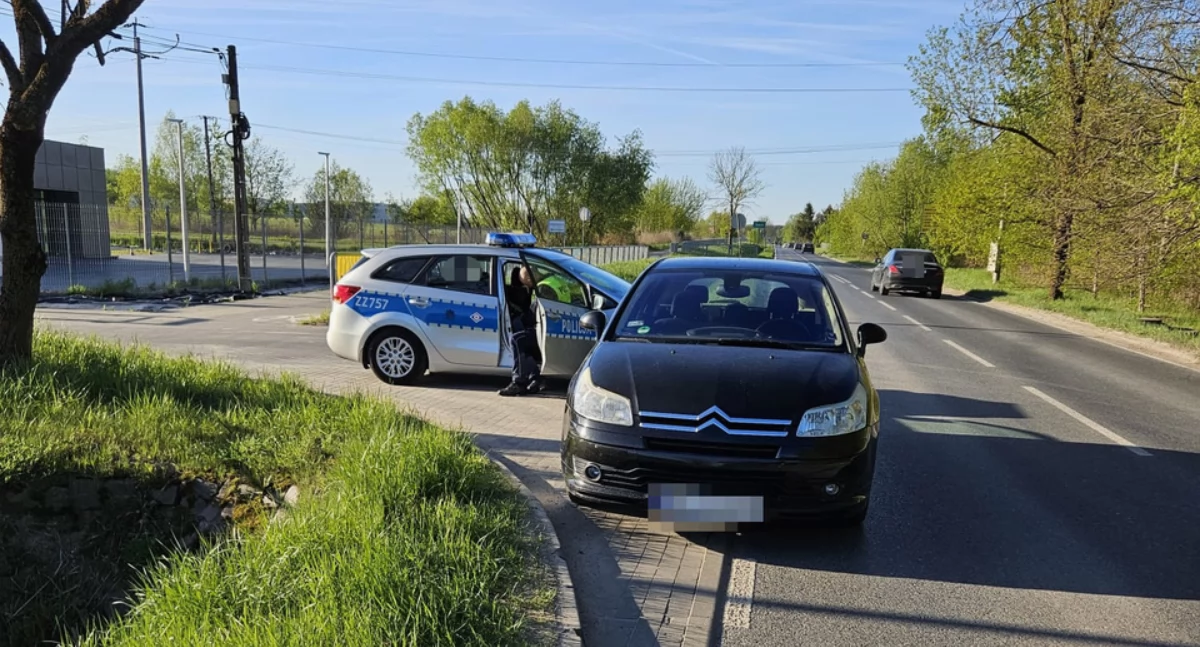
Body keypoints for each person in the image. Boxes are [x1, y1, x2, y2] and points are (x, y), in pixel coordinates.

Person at [500, 264, 544, 396]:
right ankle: (533, 378)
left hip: (538, 327)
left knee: (518, 340)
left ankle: (520, 382)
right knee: (520, 340)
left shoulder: (542, 288)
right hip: (535, 325)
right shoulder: (528, 288)